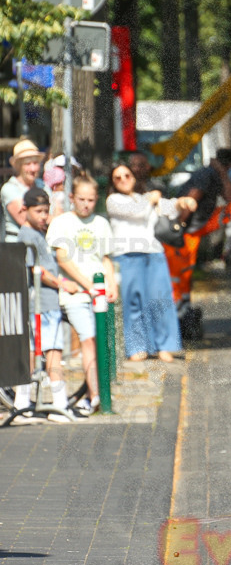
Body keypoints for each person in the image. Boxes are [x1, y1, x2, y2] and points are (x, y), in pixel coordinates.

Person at [107, 162, 196, 363]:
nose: (123, 180)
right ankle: (137, 346)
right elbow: (134, 211)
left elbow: (169, 206)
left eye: (127, 175)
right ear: (113, 182)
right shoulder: (113, 200)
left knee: (160, 299)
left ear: (134, 177)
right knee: (132, 302)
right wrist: (151, 198)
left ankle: (165, 345)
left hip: (153, 253)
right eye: (118, 177)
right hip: (127, 255)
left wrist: (184, 202)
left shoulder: (144, 198)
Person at [46, 175, 119, 416]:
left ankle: (96, 392)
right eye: (81, 199)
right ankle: (94, 395)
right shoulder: (62, 223)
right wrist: (87, 284)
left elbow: (105, 259)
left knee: (101, 342)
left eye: (90, 200)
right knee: (88, 338)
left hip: (97, 292)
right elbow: (62, 259)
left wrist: (111, 283)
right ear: (71, 198)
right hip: (76, 292)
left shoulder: (101, 223)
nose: (86, 204)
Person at [13, 188, 82, 418]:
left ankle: (48, 403)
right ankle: (36, 404)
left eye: (46, 211)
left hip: (48, 303)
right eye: (39, 211)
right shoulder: (27, 236)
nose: (44, 216)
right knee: (47, 352)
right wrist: (63, 283)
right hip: (39, 304)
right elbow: (37, 271)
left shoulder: (39, 233)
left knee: (51, 352)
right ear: (25, 210)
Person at [166, 148, 231, 308]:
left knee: (186, 268)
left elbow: (230, 199)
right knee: (181, 268)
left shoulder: (215, 174)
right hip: (186, 228)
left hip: (192, 229)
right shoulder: (207, 174)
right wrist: (179, 225)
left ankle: (183, 303)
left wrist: (223, 174)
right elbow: (193, 196)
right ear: (229, 165)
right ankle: (179, 304)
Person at [2, 140, 48, 242]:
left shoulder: (43, 185)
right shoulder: (9, 188)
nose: (32, 169)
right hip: (18, 246)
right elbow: (26, 220)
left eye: (35, 163)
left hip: (42, 243)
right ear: (18, 166)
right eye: (27, 164)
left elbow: (57, 213)